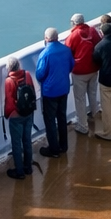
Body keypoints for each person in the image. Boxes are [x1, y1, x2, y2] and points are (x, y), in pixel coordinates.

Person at [36, 27, 74, 157]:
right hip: (63, 89)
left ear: (46, 38)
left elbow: (40, 75)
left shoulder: (45, 54)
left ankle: (54, 149)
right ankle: (63, 145)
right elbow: (71, 65)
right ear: (57, 37)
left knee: (50, 120)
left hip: (50, 92)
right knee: (62, 117)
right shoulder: (66, 50)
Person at [64, 13, 103, 135]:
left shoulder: (72, 36)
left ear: (74, 23)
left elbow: (67, 52)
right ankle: (95, 117)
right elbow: (99, 44)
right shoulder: (93, 31)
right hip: (94, 68)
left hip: (79, 72)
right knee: (92, 94)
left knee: (80, 99)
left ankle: (82, 125)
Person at [2, 55, 37, 177]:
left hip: (16, 116)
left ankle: (19, 171)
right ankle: (28, 167)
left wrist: (7, 115)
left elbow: (9, 101)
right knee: (27, 140)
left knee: (16, 143)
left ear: (9, 68)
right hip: (28, 113)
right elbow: (32, 91)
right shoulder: (27, 74)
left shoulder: (9, 81)